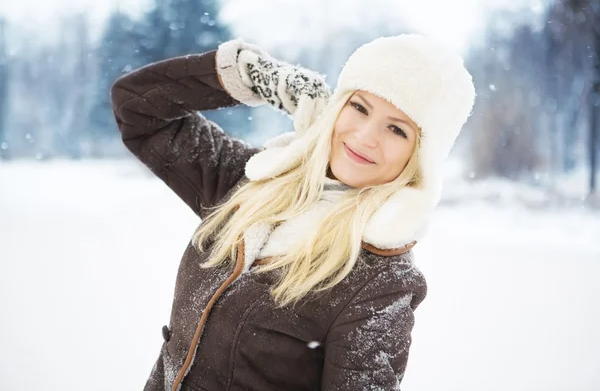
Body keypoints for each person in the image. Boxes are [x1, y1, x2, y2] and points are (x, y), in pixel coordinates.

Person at [110, 34, 475, 391]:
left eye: (396, 129)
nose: (365, 136)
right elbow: (136, 108)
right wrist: (255, 77)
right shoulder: (250, 181)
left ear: (419, 157)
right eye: (359, 107)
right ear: (337, 106)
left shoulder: (383, 281)